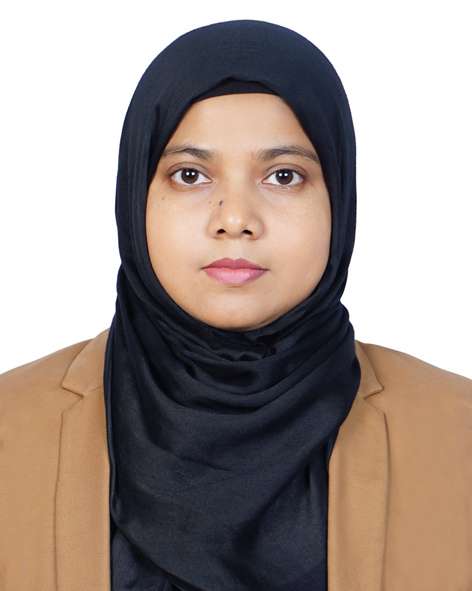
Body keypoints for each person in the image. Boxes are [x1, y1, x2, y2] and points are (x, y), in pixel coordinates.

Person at [1, 18, 471, 591]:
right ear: (135, 197)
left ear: (340, 201)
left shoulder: (457, 434)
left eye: (284, 176)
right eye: (190, 175)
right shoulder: (10, 430)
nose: (235, 218)